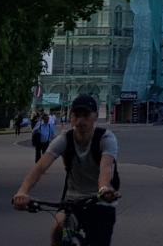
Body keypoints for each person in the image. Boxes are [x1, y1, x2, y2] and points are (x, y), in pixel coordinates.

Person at [12, 95, 120, 246]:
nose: (81, 120)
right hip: (73, 198)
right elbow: (40, 167)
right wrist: (22, 192)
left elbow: (106, 169)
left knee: (99, 239)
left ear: (95, 116)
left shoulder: (106, 138)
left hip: (101, 198)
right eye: (76, 115)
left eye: (86, 115)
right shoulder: (64, 139)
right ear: (71, 117)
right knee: (59, 227)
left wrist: (104, 189)